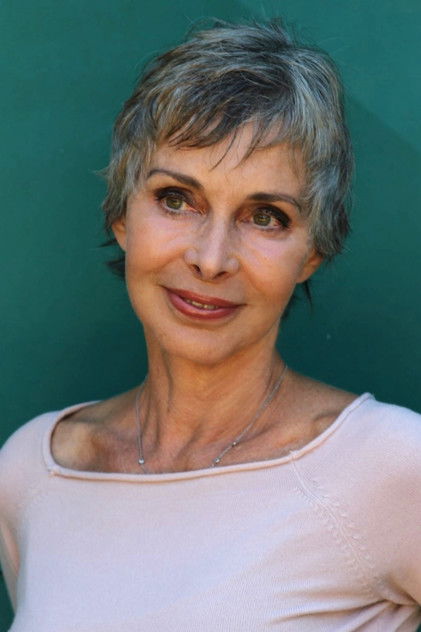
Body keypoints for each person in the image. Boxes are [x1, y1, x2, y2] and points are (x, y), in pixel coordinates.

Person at [0, 18, 420, 632]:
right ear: (121, 216)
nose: (211, 257)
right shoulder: (30, 474)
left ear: (312, 253)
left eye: (266, 216)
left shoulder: (390, 466)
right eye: (176, 199)